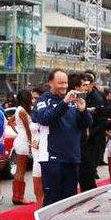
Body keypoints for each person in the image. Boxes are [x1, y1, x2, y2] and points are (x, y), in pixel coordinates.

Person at [32, 69, 91, 205]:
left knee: (69, 201)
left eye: (65, 82)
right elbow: (45, 119)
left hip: (72, 157)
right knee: (53, 199)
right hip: (52, 158)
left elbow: (86, 124)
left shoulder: (73, 99)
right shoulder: (43, 100)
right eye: (60, 83)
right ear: (50, 83)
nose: (64, 86)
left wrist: (83, 111)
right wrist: (64, 103)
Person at [80, 72, 108, 192]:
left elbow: (103, 122)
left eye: (86, 84)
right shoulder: (83, 97)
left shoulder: (97, 98)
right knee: (84, 176)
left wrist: (89, 133)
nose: (84, 87)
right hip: (84, 143)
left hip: (94, 141)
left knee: (88, 176)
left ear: (91, 84)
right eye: (82, 84)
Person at [10, 89, 36, 204]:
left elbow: (10, 122)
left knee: (19, 170)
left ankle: (17, 196)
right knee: (21, 170)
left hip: (20, 139)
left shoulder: (18, 110)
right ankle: (19, 197)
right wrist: (31, 143)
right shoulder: (23, 112)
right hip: (24, 141)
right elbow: (28, 130)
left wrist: (17, 132)